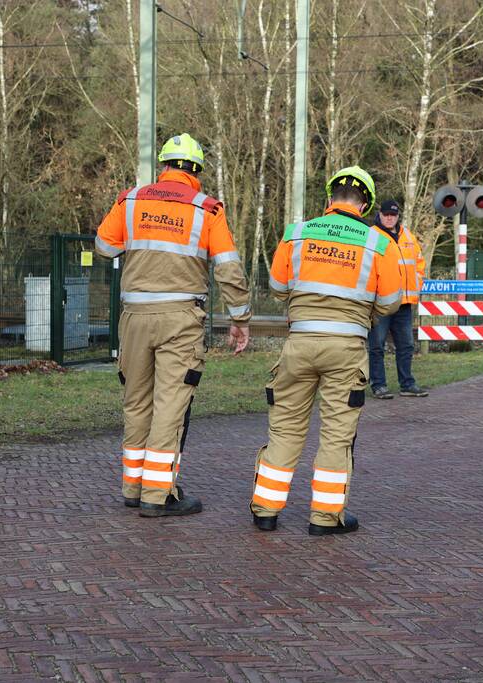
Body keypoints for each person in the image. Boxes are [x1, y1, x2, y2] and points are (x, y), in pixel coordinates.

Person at [94, 133, 251, 517]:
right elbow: (228, 268)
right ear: (196, 170)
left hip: (133, 317)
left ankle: (132, 487)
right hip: (180, 318)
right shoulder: (207, 209)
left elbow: (104, 246)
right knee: (171, 405)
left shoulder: (130, 200)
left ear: (163, 166)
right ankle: (158, 495)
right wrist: (240, 318)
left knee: (135, 402)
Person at [250, 166, 402, 536]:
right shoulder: (380, 242)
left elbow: (277, 286)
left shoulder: (297, 233)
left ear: (329, 197)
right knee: (336, 435)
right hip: (347, 348)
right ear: (365, 204)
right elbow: (391, 302)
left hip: (298, 344)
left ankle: (266, 510)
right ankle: (324, 517)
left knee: (284, 429)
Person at [367, 200, 428, 399]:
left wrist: (417, 284)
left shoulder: (408, 235)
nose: (389, 217)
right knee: (376, 346)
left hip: (404, 302)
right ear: (380, 214)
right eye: (386, 214)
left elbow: (418, 262)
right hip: (381, 303)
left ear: (398, 215)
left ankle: (407, 384)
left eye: (393, 215)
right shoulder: (371, 236)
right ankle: (379, 385)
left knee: (407, 345)